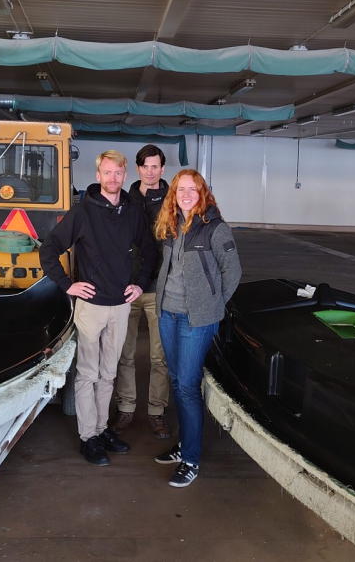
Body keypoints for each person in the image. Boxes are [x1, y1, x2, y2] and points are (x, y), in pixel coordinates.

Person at [40, 149, 157, 466]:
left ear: (124, 175)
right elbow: (49, 249)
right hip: (91, 306)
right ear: (98, 176)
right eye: (107, 172)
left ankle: (102, 429)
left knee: (108, 373)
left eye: (118, 173)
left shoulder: (132, 213)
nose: (113, 178)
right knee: (88, 373)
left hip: (120, 306)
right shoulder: (82, 213)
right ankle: (87, 438)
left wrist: (140, 283)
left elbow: (149, 250)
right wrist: (68, 285)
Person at [151, 169, 240, 487]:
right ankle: (185, 444)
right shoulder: (171, 224)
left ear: (203, 193)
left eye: (193, 189)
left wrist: (211, 306)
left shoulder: (215, 228)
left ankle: (190, 459)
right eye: (180, 189)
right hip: (167, 313)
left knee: (188, 386)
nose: (186, 194)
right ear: (173, 194)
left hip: (195, 320)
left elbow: (232, 272)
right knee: (177, 382)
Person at [110, 145, 172, 440]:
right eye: (145, 166)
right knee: (125, 353)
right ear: (137, 169)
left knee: (160, 357)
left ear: (162, 169)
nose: (150, 172)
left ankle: (157, 412)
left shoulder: (174, 201)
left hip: (161, 287)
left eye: (155, 166)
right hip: (127, 288)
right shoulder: (124, 199)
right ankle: (125, 408)